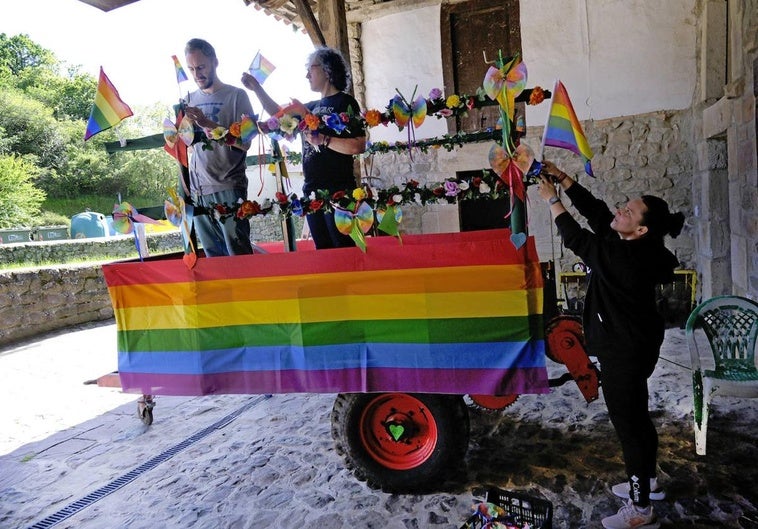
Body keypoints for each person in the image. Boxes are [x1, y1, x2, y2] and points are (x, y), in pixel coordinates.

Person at [536, 161, 685, 529]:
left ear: (642, 228)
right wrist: (566, 180)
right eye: (626, 205)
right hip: (635, 345)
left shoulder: (624, 259)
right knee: (638, 417)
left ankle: (640, 510)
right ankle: (647, 484)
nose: (622, 210)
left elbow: (578, 239)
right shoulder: (635, 245)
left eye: (629, 211)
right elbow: (599, 214)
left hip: (625, 352)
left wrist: (552, 200)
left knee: (629, 425)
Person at [242, 47, 367, 249]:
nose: (307, 75)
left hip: (339, 192)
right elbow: (280, 115)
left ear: (327, 71)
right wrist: (257, 88)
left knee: (345, 252)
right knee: (324, 254)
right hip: (312, 192)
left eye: (311, 68)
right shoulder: (312, 105)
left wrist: (324, 139)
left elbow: (358, 145)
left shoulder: (345, 101)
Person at [182, 38, 255, 257]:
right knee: (214, 261)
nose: (197, 74)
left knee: (239, 259)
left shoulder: (237, 96)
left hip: (229, 187)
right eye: (192, 69)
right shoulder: (188, 99)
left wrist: (208, 124)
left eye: (201, 67)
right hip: (199, 191)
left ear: (215, 62)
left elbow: (247, 141)